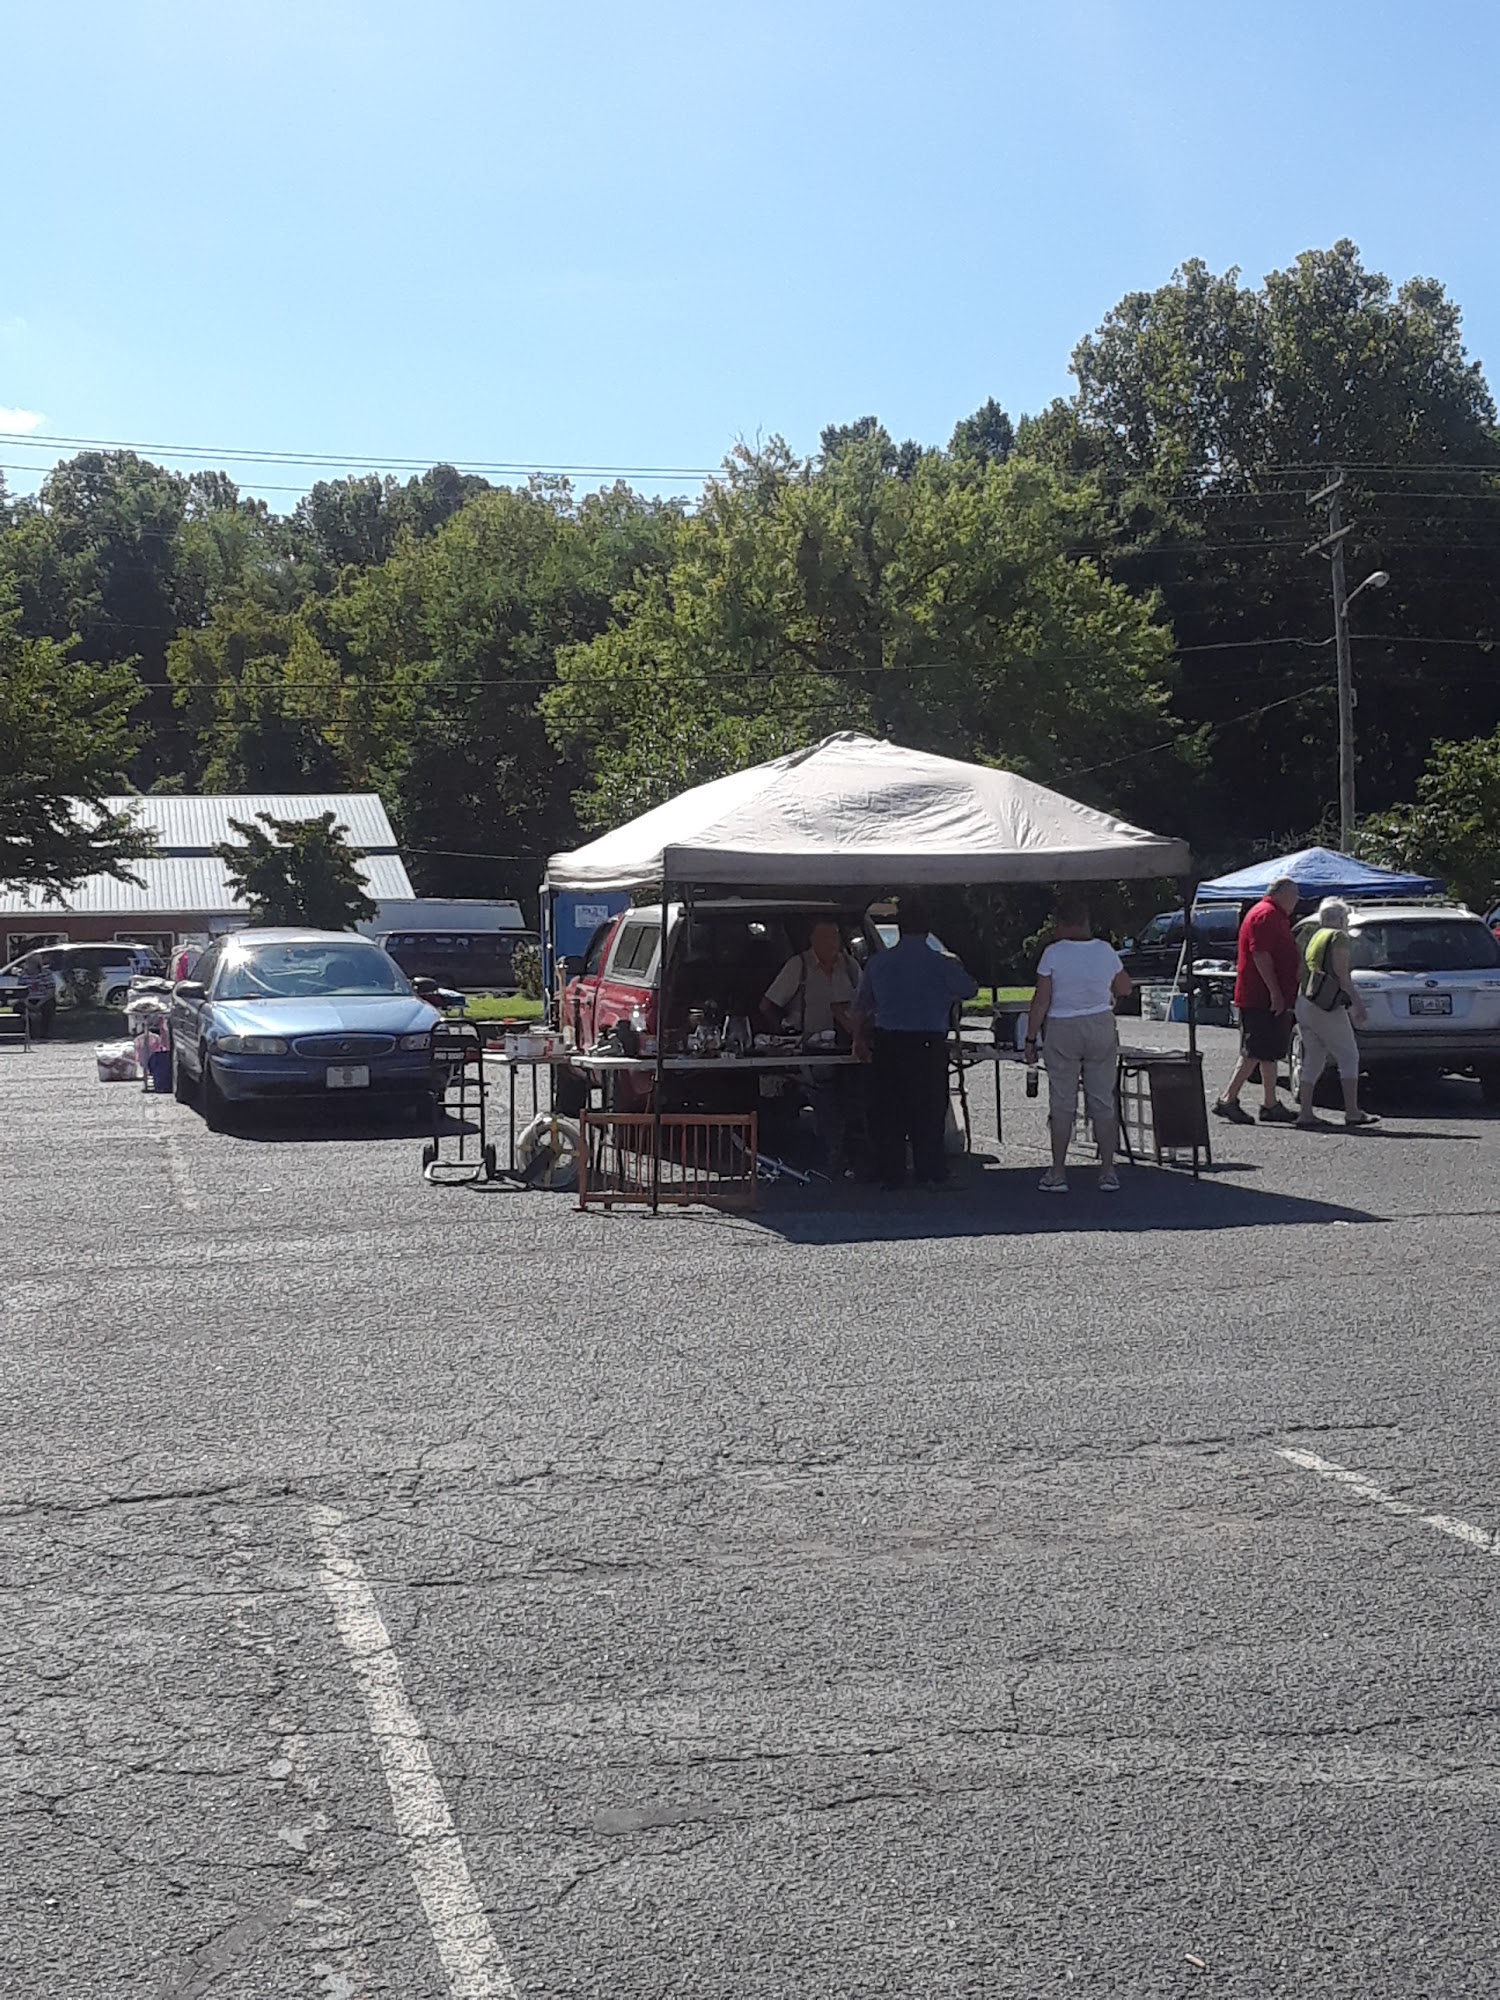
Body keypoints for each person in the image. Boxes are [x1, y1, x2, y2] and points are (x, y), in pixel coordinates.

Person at [851, 898, 977, 1189]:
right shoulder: (941, 963)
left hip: (889, 1043)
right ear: (927, 927)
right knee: (929, 1109)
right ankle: (931, 1171)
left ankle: (891, 1172)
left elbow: (860, 1007)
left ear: (899, 927)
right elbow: (969, 990)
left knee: (889, 1110)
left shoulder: (878, 963)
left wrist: (859, 1040)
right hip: (927, 1044)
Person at [1025, 900, 1132, 1193]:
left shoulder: (1053, 954)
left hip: (1062, 1025)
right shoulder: (1105, 950)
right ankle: (1108, 1171)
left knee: (1062, 1102)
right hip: (1099, 1021)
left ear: (1063, 924)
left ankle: (1058, 1172)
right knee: (1102, 1100)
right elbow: (1125, 987)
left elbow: (1042, 1000)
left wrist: (1031, 1038)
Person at [761, 919, 862, 1172]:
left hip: (845, 1047)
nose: (832, 943)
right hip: (808, 1050)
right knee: (822, 1097)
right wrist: (783, 1036)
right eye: (826, 938)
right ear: (813, 941)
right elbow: (767, 1005)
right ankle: (831, 1156)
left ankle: (853, 1153)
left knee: (853, 1098)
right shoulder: (799, 966)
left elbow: (865, 1002)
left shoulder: (849, 965)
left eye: (836, 937)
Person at [1213, 876, 1302, 1125]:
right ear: (1283, 894)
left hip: (1268, 997)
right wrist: (1274, 991)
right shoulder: (1265, 915)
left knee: (1268, 1051)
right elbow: (1260, 954)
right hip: (1259, 997)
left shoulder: (1274, 914)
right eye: (1295, 895)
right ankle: (1227, 1099)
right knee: (1254, 1051)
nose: (1296, 901)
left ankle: (1270, 1103)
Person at [1294, 898, 1379, 1130]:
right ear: (1341, 918)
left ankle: (1305, 1112)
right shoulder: (1338, 937)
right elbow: (1342, 973)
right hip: (1326, 1005)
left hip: (1305, 1000)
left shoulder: (1315, 936)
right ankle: (1352, 1111)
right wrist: (1357, 1004)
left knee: (1313, 1057)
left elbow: (1301, 969)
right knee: (1349, 1055)